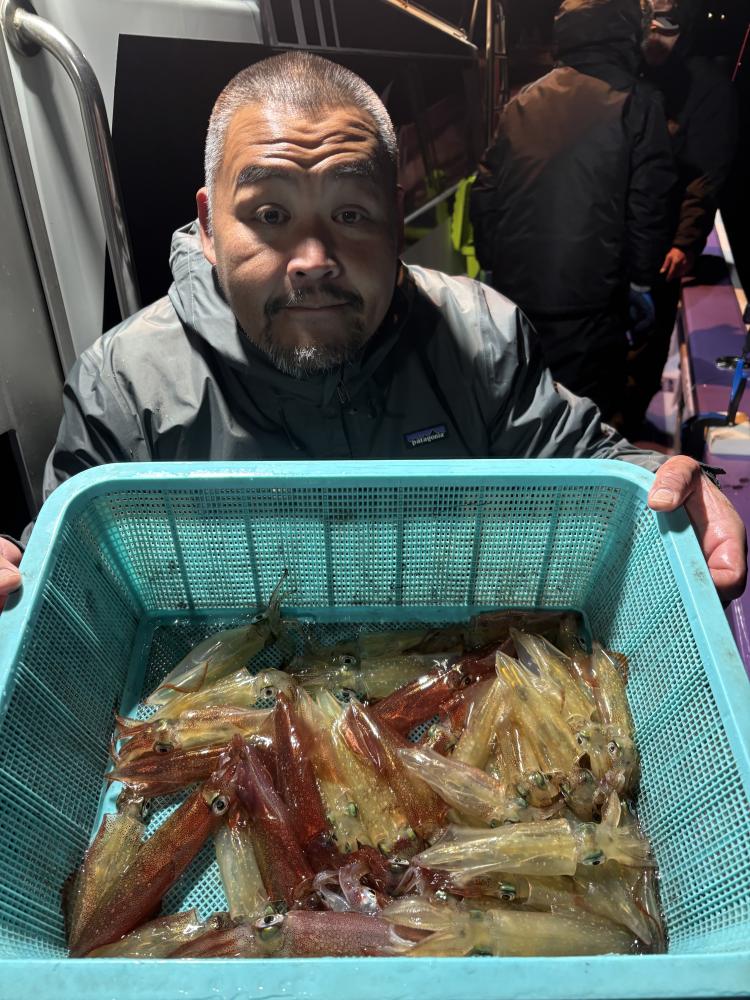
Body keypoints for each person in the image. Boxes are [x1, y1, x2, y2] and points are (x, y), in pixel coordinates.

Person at [0, 51, 745, 613]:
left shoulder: (481, 336)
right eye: (269, 215)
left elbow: (585, 464)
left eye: (351, 214)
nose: (313, 259)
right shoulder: (124, 385)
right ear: (207, 224)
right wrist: (13, 569)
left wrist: (678, 488)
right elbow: (68, 576)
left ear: (395, 217)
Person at [470, 0, 675, 424]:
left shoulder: (523, 101)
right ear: (628, 31)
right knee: (581, 417)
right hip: (591, 303)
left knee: (520, 405)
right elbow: (649, 204)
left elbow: (486, 191)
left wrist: (492, 265)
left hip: (516, 294)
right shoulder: (639, 102)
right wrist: (640, 282)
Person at [623, 0, 739, 436]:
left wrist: (684, 241)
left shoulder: (708, 89)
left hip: (660, 243)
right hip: (615, 235)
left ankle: (627, 427)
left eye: (668, 23)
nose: (655, 33)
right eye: (648, 21)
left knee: (647, 343)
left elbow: (707, 174)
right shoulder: (628, 72)